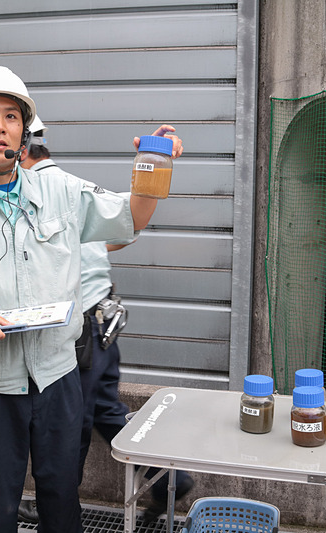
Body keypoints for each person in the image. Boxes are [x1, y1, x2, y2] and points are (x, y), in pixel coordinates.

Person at [0, 66, 183, 533]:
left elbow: (129, 219)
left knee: (61, 498)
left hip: (58, 380)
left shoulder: (62, 191)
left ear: (23, 131)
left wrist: (153, 164)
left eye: (11, 116)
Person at [16, 122, 194, 525]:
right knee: (105, 411)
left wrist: (154, 161)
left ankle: (55, 509)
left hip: (77, 334)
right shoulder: (76, 189)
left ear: (23, 150)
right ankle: (172, 479)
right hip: (104, 326)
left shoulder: (36, 195)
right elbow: (120, 234)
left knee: (69, 426)